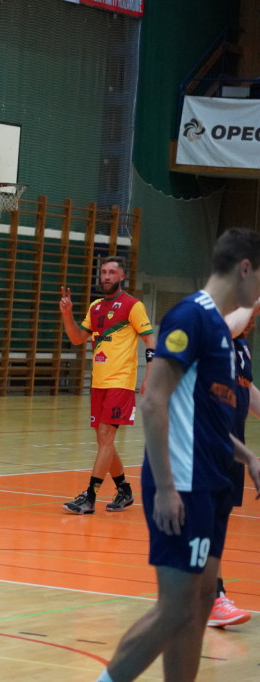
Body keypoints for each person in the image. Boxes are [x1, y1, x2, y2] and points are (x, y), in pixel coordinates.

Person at [96, 228, 260, 682]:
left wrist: (248, 458)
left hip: (212, 480)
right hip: (183, 482)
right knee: (175, 608)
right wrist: (166, 488)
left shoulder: (224, 335)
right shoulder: (191, 316)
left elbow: (206, 420)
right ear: (245, 268)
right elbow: (153, 400)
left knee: (201, 601)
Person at [59, 256, 156, 514]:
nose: (106, 276)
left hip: (121, 382)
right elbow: (77, 338)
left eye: (112, 272)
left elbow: (150, 341)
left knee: (105, 436)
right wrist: (67, 314)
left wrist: (150, 377)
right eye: (103, 272)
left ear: (122, 276)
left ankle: (89, 496)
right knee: (104, 441)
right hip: (99, 383)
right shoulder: (95, 307)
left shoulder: (133, 306)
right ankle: (124, 490)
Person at [205, 301, 260, 628]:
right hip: (204, 446)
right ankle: (213, 597)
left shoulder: (242, 347)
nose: (252, 320)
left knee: (216, 523)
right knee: (207, 523)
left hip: (232, 448)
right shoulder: (213, 336)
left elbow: (247, 391)